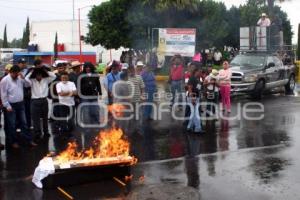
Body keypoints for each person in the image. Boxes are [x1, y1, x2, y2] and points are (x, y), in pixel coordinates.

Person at [0, 65, 37, 149]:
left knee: (24, 123)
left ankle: (28, 140)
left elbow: (28, 85)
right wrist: (7, 105)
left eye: (17, 73)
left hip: (20, 104)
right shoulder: (5, 80)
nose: (16, 75)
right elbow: (3, 94)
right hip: (10, 105)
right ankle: (13, 142)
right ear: (10, 72)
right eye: (14, 74)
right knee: (12, 125)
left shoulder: (20, 78)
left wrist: (23, 78)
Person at [25, 63, 56, 139]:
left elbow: (54, 76)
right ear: (35, 75)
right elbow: (26, 79)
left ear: (42, 75)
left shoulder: (46, 80)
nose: (39, 76)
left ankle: (46, 132)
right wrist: (32, 72)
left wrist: (45, 71)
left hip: (44, 100)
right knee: (35, 118)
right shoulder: (31, 81)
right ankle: (37, 132)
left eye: (40, 74)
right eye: (37, 75)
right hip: (34, 101)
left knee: (45, 118)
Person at [127, 66, 145, 134]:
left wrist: (142, 96)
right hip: (129, 101)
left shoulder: (139, 77)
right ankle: (132, 129)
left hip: (138, 100)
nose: (131, 72)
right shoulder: (127, 78)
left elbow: (142, 87)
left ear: (134, 70)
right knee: (131, 115)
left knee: (138, 115)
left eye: (132, 70)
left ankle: (138, 129)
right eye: (130, 71)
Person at [17, 58, 32, 128]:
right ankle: (19, 126)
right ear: (18, 64)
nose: (24, 64)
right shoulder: (15, 71)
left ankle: (28, 125)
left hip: (26, 94)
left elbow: (30, 83)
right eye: (22, 63)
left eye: (24, 63)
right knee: (18, 111)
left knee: (27, 110)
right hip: (17, 94)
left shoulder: (29, 71)